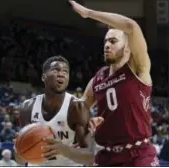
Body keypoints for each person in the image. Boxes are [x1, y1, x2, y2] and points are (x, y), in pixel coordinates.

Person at [41, 1, 160, 166]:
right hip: (106, 155)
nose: (106, 45)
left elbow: (132, 27)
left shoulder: (137, 68)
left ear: (127, 47)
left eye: (113, 41)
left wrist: (88, 13)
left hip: (138, 155)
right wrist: (83, 121)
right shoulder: (98, 78)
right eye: (105, 41)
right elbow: (80, 108)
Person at [14, 56, 93, 166]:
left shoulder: (77, 107)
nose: (61, 74)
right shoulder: (27, 107)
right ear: (43, 77)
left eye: (65, 71)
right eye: (56, 70)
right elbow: (21, 161)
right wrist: (19, 151)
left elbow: (90, 157)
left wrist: (63, 149)